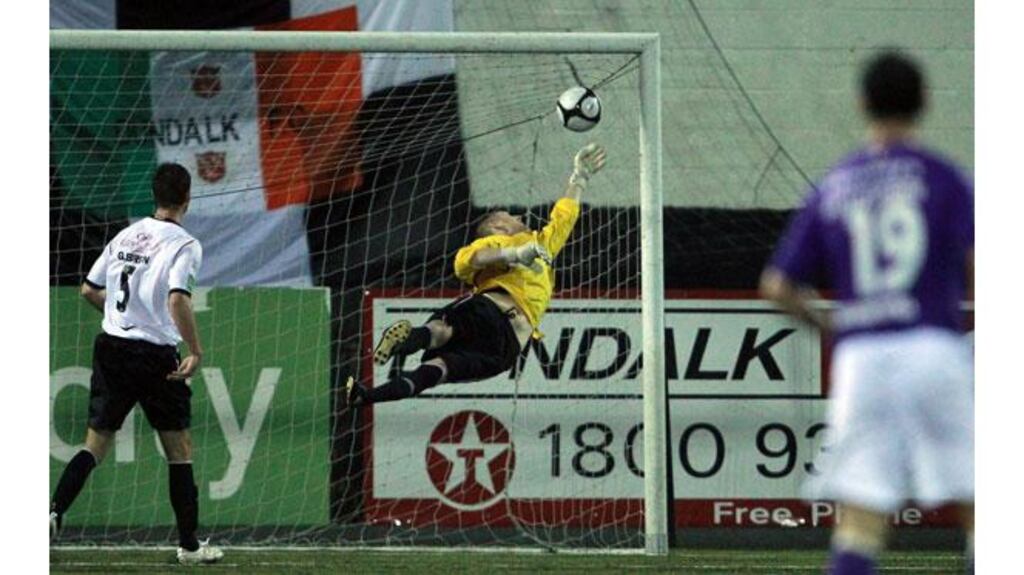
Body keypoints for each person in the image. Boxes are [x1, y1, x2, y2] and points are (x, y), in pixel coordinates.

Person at [760, 50, 973, 575]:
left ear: (861, 104)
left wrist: (830, 326)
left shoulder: (836, 184)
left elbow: (777, 285)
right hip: (932, 347)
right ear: (924, 102)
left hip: (862, 359)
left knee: (859, 521)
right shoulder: (942, 177)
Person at [49, 163, 223, 565]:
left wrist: (121, 319)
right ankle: (189, 547)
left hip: (112, 347)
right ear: (187, 197)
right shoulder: (185, 244)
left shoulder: (127, 234)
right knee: (179, 449)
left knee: (94, 445)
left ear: (154, 195)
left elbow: (89, 289)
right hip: (156, 356)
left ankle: (52, 513)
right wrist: (195, 349)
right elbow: (178, 298)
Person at [346, 143, 607, 404]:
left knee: (439, 365)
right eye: (509, 215)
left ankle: (367, 393)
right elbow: (466, 260)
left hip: (503, 344)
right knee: (442, 348)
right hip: (497, 323)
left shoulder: (540, 244)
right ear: (497, 227)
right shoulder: (494, 244)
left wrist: (579, 178)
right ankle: (413, 338)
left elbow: (564, 218)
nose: (518, 215)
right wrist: (516, 254)